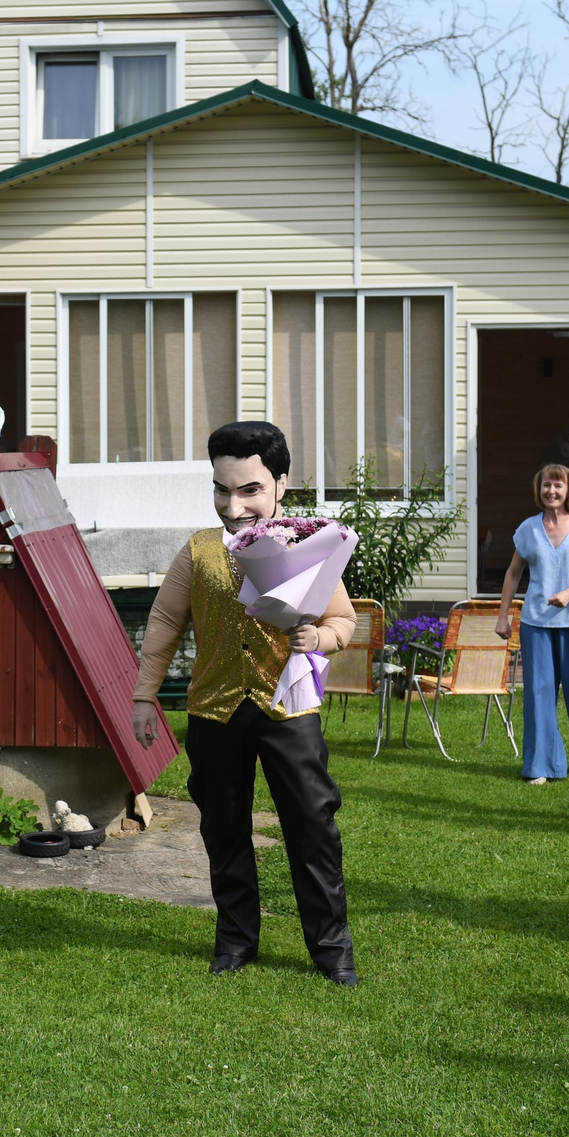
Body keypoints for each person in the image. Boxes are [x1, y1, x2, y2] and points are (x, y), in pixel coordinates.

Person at [132, 421, 361, 984]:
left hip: (290, 708)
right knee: (224, 827)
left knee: (312, 827)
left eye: (249, 490)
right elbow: (164, 621)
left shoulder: (310, 544)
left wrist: (321, 639)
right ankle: (236, 940)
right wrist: (144, 696)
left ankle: (331, 951)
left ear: (281, 483)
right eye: (221, 490)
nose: (233, 506)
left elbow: (343, 619)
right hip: (215, 708)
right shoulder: (199, 551)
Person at [496, 464, 569, 785]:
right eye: (546, 485)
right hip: (536, 624)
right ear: (539, 490)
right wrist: (503, 615)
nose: (551, 491)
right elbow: (513, 573)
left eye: (558, 485)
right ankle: (541, 766)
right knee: (539, 695)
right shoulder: (528, 528)